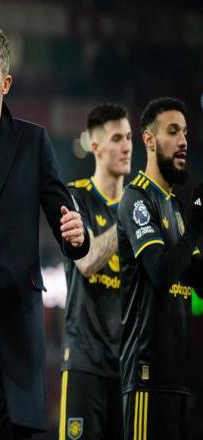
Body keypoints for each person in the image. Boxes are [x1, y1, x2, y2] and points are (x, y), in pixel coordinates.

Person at [0, 24, 90, 439]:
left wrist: (77, 235)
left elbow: (65, 220)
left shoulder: (35, 142)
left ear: (6, 83)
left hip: (17, 335)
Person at [117, 97, 203, 440]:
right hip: (146, 380)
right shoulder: (137, 199)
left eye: (185, 133)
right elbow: (161, 272)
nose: (183, 141)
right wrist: (195, 228)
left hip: (178, 380)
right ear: (149, 140)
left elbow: (195, 278)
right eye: (173, 131)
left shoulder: (176, 207)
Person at [59, 104, 132, 440]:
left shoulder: (138, 206)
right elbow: (86, 261)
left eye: (129, 137)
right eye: (117, 138)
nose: (126, 146)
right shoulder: (74, 197)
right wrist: (127, 221)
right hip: (85, 362)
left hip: (128, 366)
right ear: (96, 147)